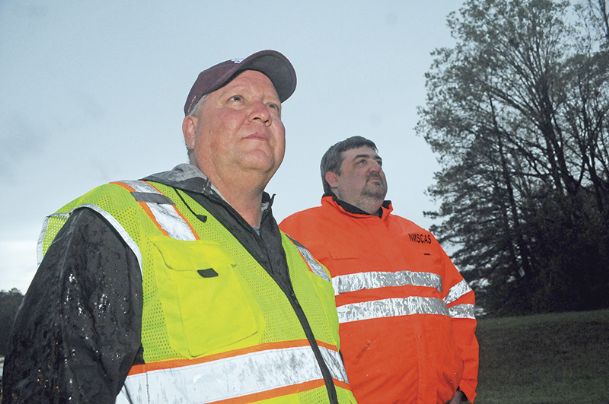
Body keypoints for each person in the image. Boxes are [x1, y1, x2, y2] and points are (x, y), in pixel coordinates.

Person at [2, 50, 355, 404]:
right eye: (237, 99)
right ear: (192, 129)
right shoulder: (122, 220)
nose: (263, 114)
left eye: (273, 107)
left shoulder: (309, 266)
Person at [280, 136, 479, 403]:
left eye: (378, 161)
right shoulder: (297, 232)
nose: (375, 168)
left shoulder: (417, 235)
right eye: (362, 162)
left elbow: (461, 305)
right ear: (333, 178)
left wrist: (463, 386)